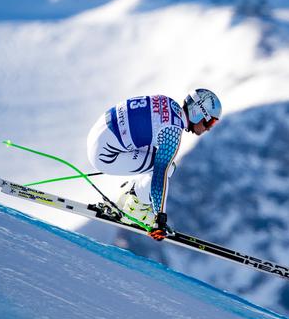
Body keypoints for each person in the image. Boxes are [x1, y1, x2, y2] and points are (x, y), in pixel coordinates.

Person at [84, 88, 222, 240]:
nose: (208, 128)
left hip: (98, 136)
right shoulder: (172, 132)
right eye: (210, 121)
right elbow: (159, 176)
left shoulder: (168, 102)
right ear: (198, 112)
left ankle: (124, 200)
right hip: (105, 155)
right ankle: (135, 211)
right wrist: (160, 218)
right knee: (166, 167)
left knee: (159, 160)